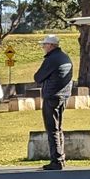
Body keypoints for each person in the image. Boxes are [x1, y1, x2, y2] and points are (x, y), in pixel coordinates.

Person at [35, 34, 73, 170]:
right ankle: (60, 157)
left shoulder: (52, 59)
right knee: (58, 127)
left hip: (52, 96)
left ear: (51, 46)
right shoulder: (64, 57)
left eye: (44, 45)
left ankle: (56, 160)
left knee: (52, 129)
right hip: (63, 96)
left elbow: (38, 77)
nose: (43, 47)